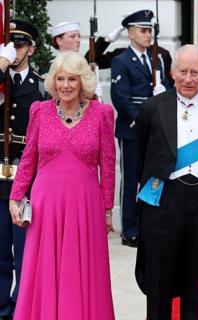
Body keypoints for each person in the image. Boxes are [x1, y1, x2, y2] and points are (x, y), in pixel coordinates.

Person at [9, 51, 115, 319]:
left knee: (83, 270)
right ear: (52, 82)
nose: (65, 85)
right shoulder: (40, 111)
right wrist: (15, 197)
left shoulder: (102, 113)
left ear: (83, 83)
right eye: (60, 79)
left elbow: (108, 163)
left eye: (72, 79)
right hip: (46, 205)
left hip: (85, 204)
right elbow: (29, 157)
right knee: (44, 267)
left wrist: (107, 209)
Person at [135, 44, 198, 319]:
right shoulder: (152, 108)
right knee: (158, 285)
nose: (188, 78)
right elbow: (140, 156)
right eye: (183, 71)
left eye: (195, 72)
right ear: (172, 72)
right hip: (162, 202)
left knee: (195, 283)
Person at [111, 9, 173, 248]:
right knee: (130, 181)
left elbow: (165, 88)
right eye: (144, 31)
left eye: (151, 31)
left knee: (151, 179)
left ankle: (148, 225)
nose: (149, 35)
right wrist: (141, 124)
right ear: (130, 33)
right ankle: (130, 230)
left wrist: (163, 93)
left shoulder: (157, 58)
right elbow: (121, 98)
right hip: (133, 129)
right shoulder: (121, 61)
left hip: (154, 129)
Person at [0, 19, 45, 320]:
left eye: (19, 45)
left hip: (27, 175)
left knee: (24, 249)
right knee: (0, 249)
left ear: (31, 48)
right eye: (10, 45)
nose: (14, 51)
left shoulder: (42, 87)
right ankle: (1, 306)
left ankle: (21, 307)